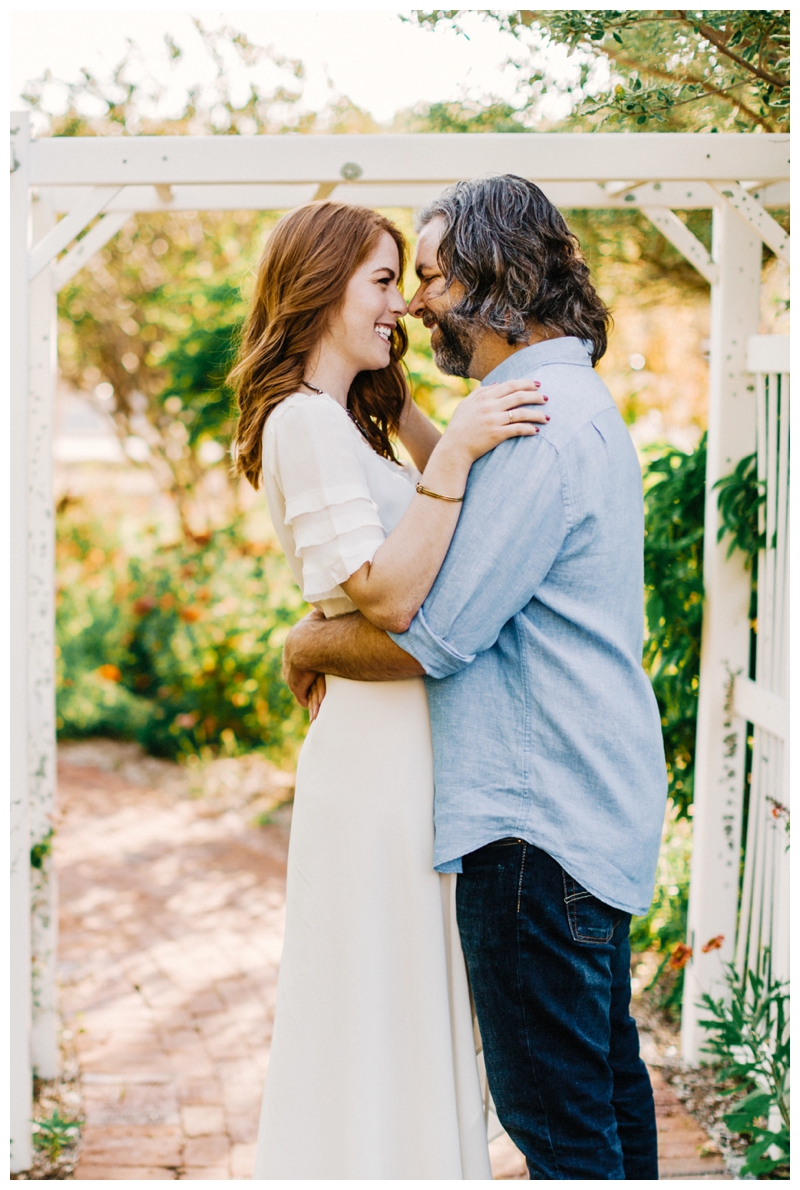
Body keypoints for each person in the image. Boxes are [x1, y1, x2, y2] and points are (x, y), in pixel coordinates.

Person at [281, 175, 669, 1181]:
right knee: (603, 1095)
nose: (416, 299)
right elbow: (452, 507)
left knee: (559, 1124)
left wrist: (310, 645)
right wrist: (415, 417)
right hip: (580, 807)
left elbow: (432, 633)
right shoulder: (549, 402)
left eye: (434, 273)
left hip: (534, 824)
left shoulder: (533, 422)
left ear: (501, 278)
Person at [229, 199, 549, 1179]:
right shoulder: (300, 423)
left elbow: (402, 515)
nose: (403, 305)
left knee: (408, 991)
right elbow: (395, 596)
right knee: (379, 990)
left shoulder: (346, 423)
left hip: (407, 751)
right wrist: (454, 447)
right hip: (375, 765)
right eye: (381, 280)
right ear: (319, 288)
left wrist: (421, 415)